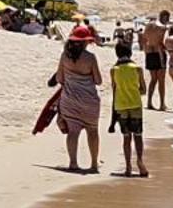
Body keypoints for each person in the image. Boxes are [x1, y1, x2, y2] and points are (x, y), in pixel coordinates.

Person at [51, 36, 102, 173]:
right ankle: (94, 164)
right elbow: (98, 80)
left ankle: (73, 163)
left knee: (73, 131)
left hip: (70, 99)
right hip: (89, 100)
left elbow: (59, 78)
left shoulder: (64, 56)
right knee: (92, 131)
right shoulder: (90, 58)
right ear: (84, 42)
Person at [108, 41, 148, 178]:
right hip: (135, 104)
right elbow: (143, 90)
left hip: (121, 106)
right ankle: (140, 162)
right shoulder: (137, 69)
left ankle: (128, 167)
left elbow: (114, 89)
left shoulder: (113, 70)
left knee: (126, 137)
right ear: (130, 52)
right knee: (138, 136)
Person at [140, 11, 170, 110]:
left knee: (153, 80)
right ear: (165, 17)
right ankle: (162, 104)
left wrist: (145, 51)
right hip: (159, 53)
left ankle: (149, 102)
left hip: (149, 53)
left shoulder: (148, 25)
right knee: (161, 80)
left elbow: (143, 38)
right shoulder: (163, 28)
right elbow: (163, 42)